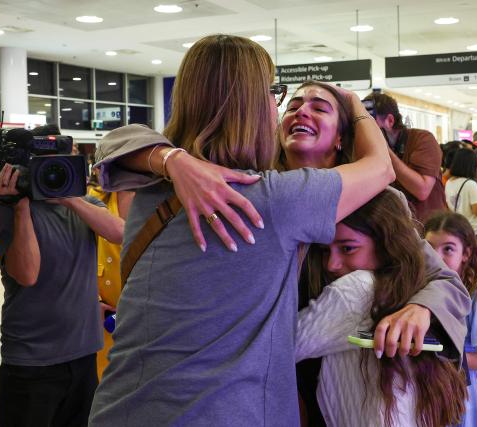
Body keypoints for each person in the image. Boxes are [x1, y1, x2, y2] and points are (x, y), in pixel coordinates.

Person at [88, 34, 395, 426]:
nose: (280, 106)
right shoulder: (274, 198)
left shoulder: (150, 188)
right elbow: (381, 166)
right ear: (252, 104)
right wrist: (354, 105)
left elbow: (113, 145)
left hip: (124, 408)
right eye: (275, 93)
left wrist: (171, 160)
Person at [279, 81, 471, 425]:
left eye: (320, 107)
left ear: (342, 136)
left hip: (347, 383)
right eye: (292, 106)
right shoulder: (260, 194)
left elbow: (444, 279)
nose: (302, 111)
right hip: (276, 384)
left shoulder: (379, 200)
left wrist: (421, 308)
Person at [0, 128, 124, 427]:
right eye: (44, 164)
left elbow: (120, 232)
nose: (52, 172)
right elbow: (27, 274)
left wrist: (69, 198)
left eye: (61, 164)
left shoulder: (86, 206)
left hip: (84, 354)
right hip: (31, 361)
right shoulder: (10, 211)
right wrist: (19, 207)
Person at [295, 190, 468, 427]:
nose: (331, 265)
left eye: (348, 248)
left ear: (387, 243)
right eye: (325, 251)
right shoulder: (408, 283)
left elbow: (273, 349)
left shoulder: (354, 290)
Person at [425, 211, 477, 427]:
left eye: (448, 249)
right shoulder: (415, 293)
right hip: (423, 391)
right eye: (429, 248)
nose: (436, 257)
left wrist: (451, 358)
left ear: (466, 253)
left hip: (462, 393)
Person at [362, 92, 447, 223]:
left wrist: (385, 150)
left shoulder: (422, 139)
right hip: (398, 228)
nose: (367, 130)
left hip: (430, 229)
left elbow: (422, 190)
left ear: (390, 120)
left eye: (371, 124)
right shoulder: (369, 148)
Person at [86, 168, 134, 378]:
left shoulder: (160, 199)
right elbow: (75, 258)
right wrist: (92, 301)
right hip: (104, 317)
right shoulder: (92, 199)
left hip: (147, 313)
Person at [445, 148, 477, 255]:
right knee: (476, 263)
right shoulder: (471, 184)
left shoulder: (449, 182)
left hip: (458, 229)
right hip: (474, 231)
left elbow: (449, 207)